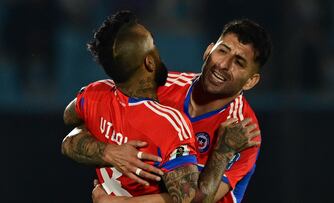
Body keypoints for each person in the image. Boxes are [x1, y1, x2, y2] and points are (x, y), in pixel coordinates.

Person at [62, 10, 260, 203]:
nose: (224, 64)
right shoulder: (161, 91)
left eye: (239, 62)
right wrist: (109, 151)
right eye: (222, 51)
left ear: (251, 81)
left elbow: (197, 199)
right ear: (209, 50)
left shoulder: (243, 130)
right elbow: (71, 138)